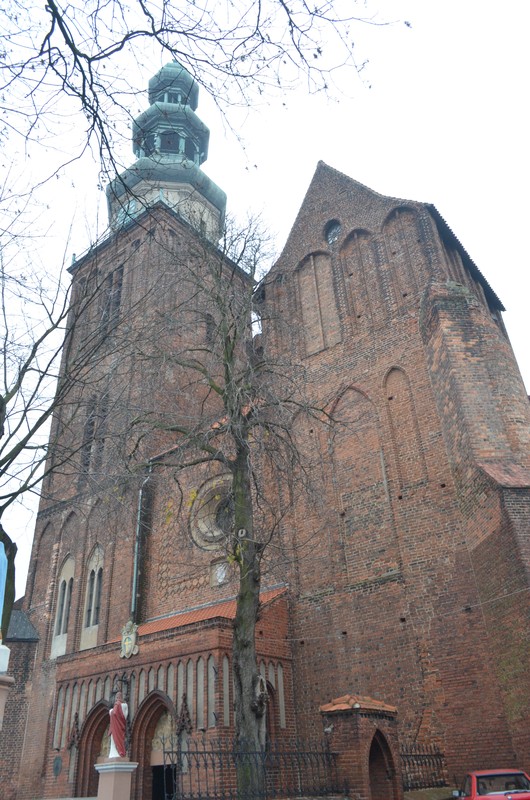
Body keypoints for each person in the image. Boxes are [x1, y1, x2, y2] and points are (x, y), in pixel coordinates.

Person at [108, 691, 128, 758]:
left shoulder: (118, 705)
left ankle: (119, 752)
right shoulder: (125, 705)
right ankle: (119, 752)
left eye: (118, 696)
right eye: (117, 696)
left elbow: (114, 713)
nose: (117, 698)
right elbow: (125, 716)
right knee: (117, 740)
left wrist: (111, 711)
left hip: (117, 727)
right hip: (118, 726)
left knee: (117, 739)